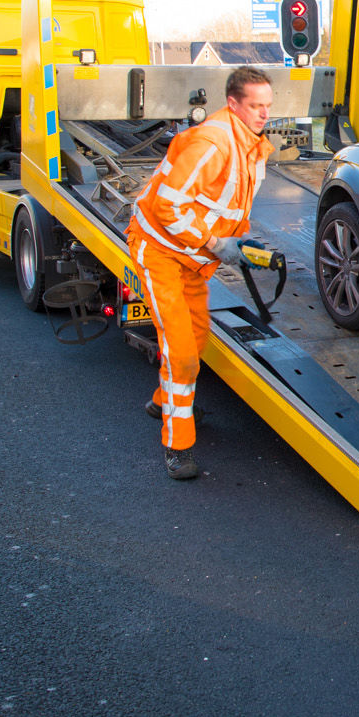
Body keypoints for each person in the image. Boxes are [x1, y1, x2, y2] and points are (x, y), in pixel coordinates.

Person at [127, 66, 275, 480]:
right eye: (256, 106)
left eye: (268, 106)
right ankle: (178, 447)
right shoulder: (212, 143)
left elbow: (227, 206)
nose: (265, 114)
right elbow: (167, 207)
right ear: (233, 104)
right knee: (181, 350)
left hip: (191, 257)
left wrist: (238, 243)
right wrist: (215, 244)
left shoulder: (251, 146)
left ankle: (162, 401)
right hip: (159, 250)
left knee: (196, 337)